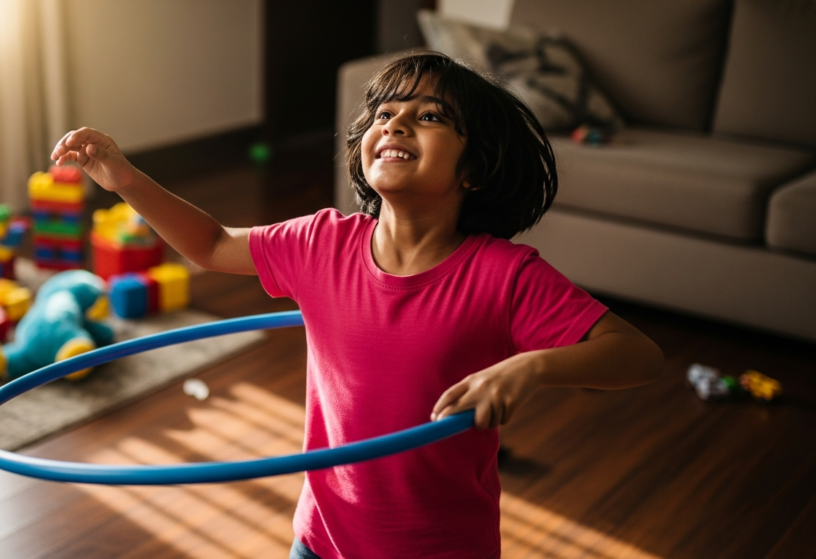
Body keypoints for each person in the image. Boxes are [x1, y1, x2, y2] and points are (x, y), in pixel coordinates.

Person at [51, 52, 664, 559]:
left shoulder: (502, 275)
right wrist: (126, 179)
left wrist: (531, 366)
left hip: (440, 548)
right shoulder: (323, 244)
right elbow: (210, 245)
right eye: (384, 113)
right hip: (322, 540)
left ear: (474, 168)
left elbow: (636, 354)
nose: (394, 125)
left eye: (427, 117)